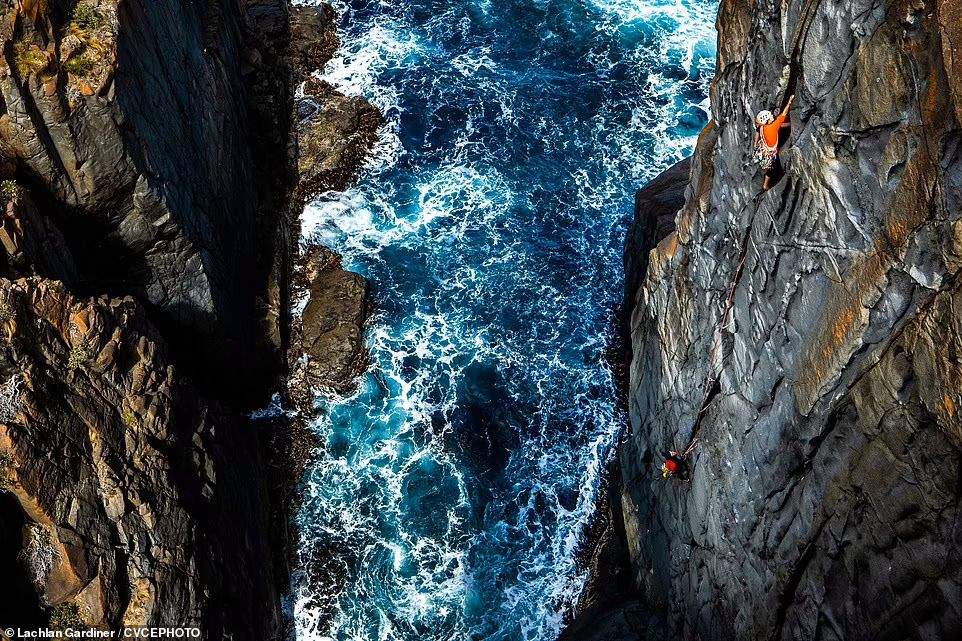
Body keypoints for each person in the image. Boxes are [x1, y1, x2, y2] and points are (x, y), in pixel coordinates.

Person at [755, 95, 794, 190]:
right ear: (767, 120)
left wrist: (755, 144)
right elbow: (783, 115)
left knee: (770, 169)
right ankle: (766, 185)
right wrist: (789, 102)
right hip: (770, 155)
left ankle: (766, 183)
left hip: (764, 152)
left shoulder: (762, 127)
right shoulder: (772, 127)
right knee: (774, 168)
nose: (772, 116)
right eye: (770, 116)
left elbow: (758, 130)